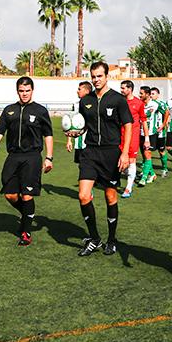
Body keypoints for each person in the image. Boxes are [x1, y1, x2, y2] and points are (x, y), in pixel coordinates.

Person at [0, 76, 53, 246]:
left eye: (27, 91)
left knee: (27, 195)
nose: (24, 94)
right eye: (21, 91)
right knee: (10, 195)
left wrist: (49, 157)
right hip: (13, 157)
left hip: (32, 157)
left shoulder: (40, 111)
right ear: (17, 91)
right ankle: (27, 215)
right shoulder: (9, 110)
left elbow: (48, 135)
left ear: (32, 91)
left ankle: (26, 232)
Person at [73, 62, 132, 257]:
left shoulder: (117, 99)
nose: (96, 80)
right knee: (83, 195)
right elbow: (82, 125)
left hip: (110, 153)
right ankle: (95, 238)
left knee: (110, 196)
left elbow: (128, 126)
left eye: (99, 76)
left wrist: (124, 153)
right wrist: (75, 132)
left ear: (107, 76)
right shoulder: (85, 100)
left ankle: (112, 239)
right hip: (90, 152)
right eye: (93, 76)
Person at [119, 80, 146, 198]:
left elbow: (144, 120)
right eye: (121, 88)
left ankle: (128, 188)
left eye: (124, 88)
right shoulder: (119, 102)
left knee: (131, 161)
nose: (122, 90)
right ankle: (132, 174)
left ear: (130, 89)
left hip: (133, 137)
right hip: (119, 135)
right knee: (119, 162)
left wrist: (147, 138)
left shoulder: (138, 103)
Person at [66, 81, 93, 163]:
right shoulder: (76, 105)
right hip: (79, 143)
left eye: (79, 89)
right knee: (81, 166)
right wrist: (69, 140)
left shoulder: (94, 104)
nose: (77, 91)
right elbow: (71, 123)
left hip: (90, 143)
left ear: (87, 91)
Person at [137, 86, 157, 185]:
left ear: (148, 95)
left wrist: (162, 125)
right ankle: (152, 174)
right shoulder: (139, 104)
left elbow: (166, 112)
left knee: (147, 154)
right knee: (145, 156)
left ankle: (144, 178)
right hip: (140, 133)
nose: (139, 95)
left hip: (150, 134)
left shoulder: (156, 104)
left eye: (141, 93)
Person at [148, 87, 170, 177]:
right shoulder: (148, 104)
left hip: (160, 132)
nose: (151, 95)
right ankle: (148, 170)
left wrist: (163, 125)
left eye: (153, 94)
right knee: (148, 151)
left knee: (161, 150)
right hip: (151, 131)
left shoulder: (160, 104)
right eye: (150, 94)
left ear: (158, 95)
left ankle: (165, 168)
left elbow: (167, 113)